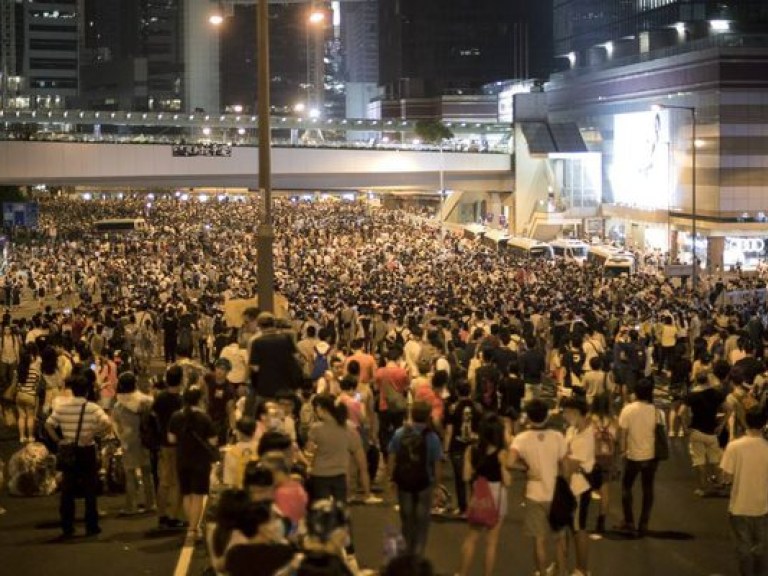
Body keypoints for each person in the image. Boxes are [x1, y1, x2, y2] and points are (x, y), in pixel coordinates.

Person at [45, 374, 111, 539]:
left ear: (73, 391)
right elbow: (107, 423)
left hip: (68, 450)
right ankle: (91, 525)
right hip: (87, 450)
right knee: (90, 489)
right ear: (87, 391)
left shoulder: (62, 408)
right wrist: (94, 433)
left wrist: (58, 440)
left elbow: (48, 424)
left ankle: (67, 527)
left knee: (67, 490)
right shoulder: (93, 408)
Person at [508, 399, 567, 576]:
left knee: (539, 541)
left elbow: (510, 462)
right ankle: (562, 572)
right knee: (559, 540)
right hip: (555, 493)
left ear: (528, 417)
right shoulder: (557, 436)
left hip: (534, 494)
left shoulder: (521, 439)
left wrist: (526, 467)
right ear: (547, 415)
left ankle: (542, 572)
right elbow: (564, 466)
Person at [458, 413, 510, 576]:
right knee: (491, 543)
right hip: (497, 496)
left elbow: (466, 476)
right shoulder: (502, 453)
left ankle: (462, 573)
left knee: (471, 538)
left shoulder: (471, 450)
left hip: (478, 495)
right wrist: (502, 466)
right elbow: (507, 482)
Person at [388, 401, 443, 557]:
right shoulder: (432, 437)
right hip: (424, 483)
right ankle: (417, 557)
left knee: (407, 521)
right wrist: (437, 486)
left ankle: (405, 553)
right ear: (428, 417)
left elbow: (391, 456)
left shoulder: (400, 433)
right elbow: (437, 464)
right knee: (422, 523)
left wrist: (391, 478)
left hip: (404, 483)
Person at [720, 407, 768, 576]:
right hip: (763, 507)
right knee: (761, 549)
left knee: (744, 549)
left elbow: (726, 477)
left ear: (746, 421)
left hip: (740, 506)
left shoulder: (734, 447)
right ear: (764, 424)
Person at [168, 386, 219, 540]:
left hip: (182, 458)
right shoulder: (204, 418)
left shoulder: (176, 416)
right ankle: (193, 529)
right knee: (198, 496)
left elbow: (171, 439)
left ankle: (192, 526)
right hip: (200, 460)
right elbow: (213, 440)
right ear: (200, 400)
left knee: (187, 494)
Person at [306, 394, 372, 504]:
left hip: (319, 475)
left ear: (320, 409)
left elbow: (309, 451)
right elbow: (359, 456)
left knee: (322, 510)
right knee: (340, 510)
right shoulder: (349, 428)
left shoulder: (316, 429)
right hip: (340, 476)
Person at [618, 379, 659, 536]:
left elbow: (623, 433)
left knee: (627, 487)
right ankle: (644, 522)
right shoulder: (654, 410)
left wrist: (623, 451)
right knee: (647, 489)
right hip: (650, 455)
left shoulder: (628, 410)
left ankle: (629, 521)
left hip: (632, 455)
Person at [112, 371, 157, 515]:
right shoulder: (147, 401)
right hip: (146, 440)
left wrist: (121, 438)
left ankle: (131, 506)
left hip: (128, 441)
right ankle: (151, 503)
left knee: (130, 474)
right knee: (147, 472)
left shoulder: (119, 405)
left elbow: (116, 425)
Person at [562, 396, 595, 576]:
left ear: (575, 413)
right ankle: (562, 564)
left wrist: (562, 455)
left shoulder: (586, 436)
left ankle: (582, 569)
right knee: (566, 529)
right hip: (569, 488)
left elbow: (568, 466)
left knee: (578, 529)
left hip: (578, 489)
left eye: (566, 412)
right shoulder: (573, 430)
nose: (564, 416)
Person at [152, 365, 186, 529]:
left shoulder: (160, 398)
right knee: (177, 482)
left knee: (164, 480)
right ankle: (174, 516)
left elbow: (154, 417)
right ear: (181, 380)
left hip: (163, 443)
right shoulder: (181, 401)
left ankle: (161, 515)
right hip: (179, 445)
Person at [443, 381, 483, 516]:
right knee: (473, 478)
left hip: (457, 446)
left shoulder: (452, 408)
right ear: (470, 391)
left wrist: (446, 449)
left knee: (459, 479)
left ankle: (463, 508)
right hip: (474, 446)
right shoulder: (477, 407)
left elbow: (449, 429)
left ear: (457, 392)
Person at [685, 372, 726, 496]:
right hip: (712, 431)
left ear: (697, 381)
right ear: (707, 380)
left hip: (696, 431)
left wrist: (685, 427)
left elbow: (681, 412)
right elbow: (729, 408)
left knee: (699, 460)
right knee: (715, 460)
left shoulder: (692, 395)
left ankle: (702, 488)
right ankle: (719, 484)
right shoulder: (716, 394)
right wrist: (721, 424)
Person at [15, 342, 41, 444]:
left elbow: (16, 383)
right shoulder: (35, 372)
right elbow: (37, 384)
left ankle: (22, 437)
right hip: (30, 395)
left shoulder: (18, 371)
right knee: (30, 417)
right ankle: (30, 436)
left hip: (20, 394)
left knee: (21, 416)